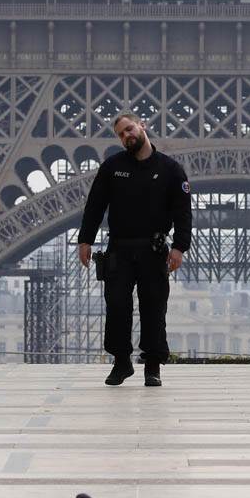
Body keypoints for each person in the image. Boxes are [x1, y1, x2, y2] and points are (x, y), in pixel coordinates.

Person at [77, 113, 192, 387]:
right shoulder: (112, 167)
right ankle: (121, 362)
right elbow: (95, 205)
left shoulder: (171, 169)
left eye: (129, 129)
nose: (126, 136)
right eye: (120, 134)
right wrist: (85, 240)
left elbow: (183, 212)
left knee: (154, 307)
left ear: (142, 125)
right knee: (117, 305)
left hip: (153, 250)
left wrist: (179, 248)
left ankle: (152, 366)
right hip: (119, 248)